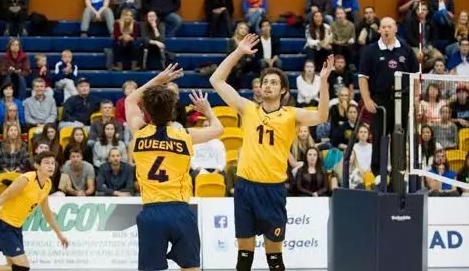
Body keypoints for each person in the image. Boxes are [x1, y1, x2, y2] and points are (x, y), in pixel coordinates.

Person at [209, 35, 333, 271]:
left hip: (273, 190)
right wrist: (238, 52)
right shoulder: (248, 108)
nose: (267, 85)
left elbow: (322, 116)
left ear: (283, 90)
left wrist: (324, 81)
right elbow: (216, 79)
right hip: (246, 187)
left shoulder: (291, 114)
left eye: (274, 82)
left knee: (274, 258)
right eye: (265, 81)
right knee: (243, 256)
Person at [125, 64, 225, 271]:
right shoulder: (184, 136)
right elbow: (218, 129)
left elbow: (130, 100)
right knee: (190, 268)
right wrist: (207, 111)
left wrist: (158, 79)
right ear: (173, 111)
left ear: (146, 111)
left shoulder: (139, 132)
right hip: (179, 210)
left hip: (151, 211)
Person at [0, 152, 68, 271]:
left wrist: (59, 234)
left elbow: (47, 212)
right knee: (23, 267)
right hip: (4, 225)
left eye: (53, 163)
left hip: (17, 228)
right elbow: (1, 199)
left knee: (11, 266)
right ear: (37, 165)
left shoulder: (47, 184)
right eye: (47, 163)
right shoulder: (26, 179)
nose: (51, 166)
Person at [358, 17, 418, 181]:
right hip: (380, 101)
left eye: (389, 27)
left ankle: (399, 172)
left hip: (403, 99)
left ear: (395, 29)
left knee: (400, 136)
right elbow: (362, 77)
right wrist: (367, 100)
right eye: (383, 27)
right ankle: (378, 172)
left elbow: (415, 76)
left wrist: (415, 98)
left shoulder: (406, 49)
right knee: (379, 136)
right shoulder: (371, 50)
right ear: (379, 30)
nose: (386, 30)